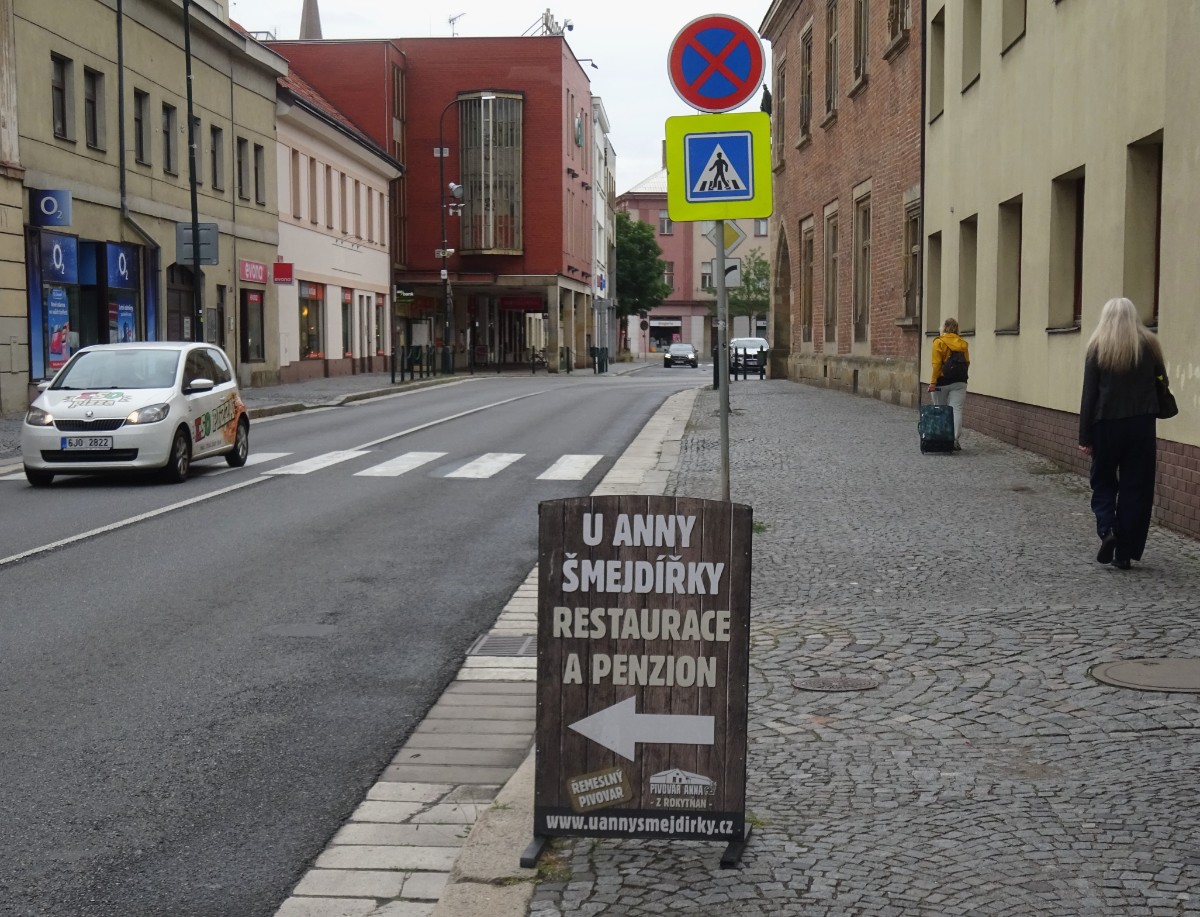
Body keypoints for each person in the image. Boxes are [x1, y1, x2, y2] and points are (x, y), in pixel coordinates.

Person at [1078, 297, 1168, 570]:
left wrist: (1085, 436)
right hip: (1141, 424)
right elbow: (1161, 382)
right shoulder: (1150, 345)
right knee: (1136, 488)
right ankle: (1124, 552)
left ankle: (1108, 530)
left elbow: (1089, 394)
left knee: (1103, 481)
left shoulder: (1098, 346)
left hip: (1106, 424)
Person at [927, 317, 970, 451]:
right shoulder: (963, 343)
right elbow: (967, 362)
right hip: (960, 381)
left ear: (944, 328)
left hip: (942, 381)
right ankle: (954, 439)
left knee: (940, 409)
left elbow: (936, 365)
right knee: (956, 410)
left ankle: (941, 439)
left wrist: (933, 382)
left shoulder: (939, 342)